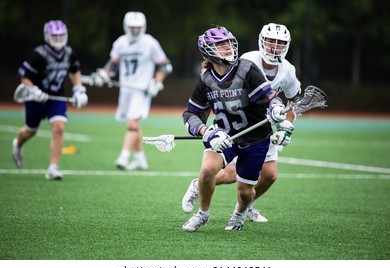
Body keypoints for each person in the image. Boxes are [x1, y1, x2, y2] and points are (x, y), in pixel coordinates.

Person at [182, 23, 301, 222]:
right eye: (271, 41)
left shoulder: (288, 70)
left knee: (270, 175)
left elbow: (293, 100)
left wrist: (286, 126)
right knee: (230, 174)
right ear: (262, 41)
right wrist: (208, 131)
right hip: (239, 125)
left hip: (263, 125)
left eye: (280, 43)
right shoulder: (245, 61)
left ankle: (246, 207)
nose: (274, 47)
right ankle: (200, 185)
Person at [88, 11, 172, 170]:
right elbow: (113, 64)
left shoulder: (149, 42)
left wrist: (157, 82)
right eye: (132, 27)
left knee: (133, 122)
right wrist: (103, 75)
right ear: (126, 27)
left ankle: (123, 157)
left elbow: (165, 65)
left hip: (141, 90)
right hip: (125, 89)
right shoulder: (120, 43)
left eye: (138, 27)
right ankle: (140, 159)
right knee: (133, 123)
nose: (135, 30)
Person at [12, 20, 88, 180]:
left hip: (57, 97)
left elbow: (75, 71)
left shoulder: (69, 53)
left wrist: (79, 89)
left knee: (59, 128)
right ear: (47, 36)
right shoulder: (37, 54)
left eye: (61, 35)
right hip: (35, 98)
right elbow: (24, 78)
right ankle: (17, 144)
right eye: (55, 36)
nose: (59, 39)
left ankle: (53, 168)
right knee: (30, 131)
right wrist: (34, 90)